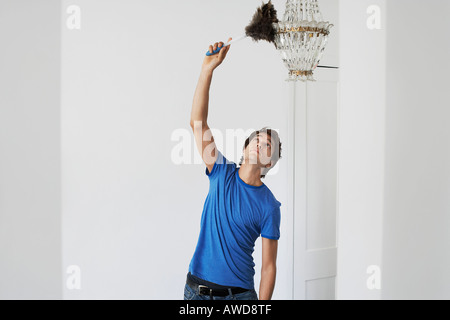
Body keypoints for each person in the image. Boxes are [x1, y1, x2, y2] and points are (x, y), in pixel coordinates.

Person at [186, 38, 282, 300]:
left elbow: (269, 266)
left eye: (267, 145)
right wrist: (207, 70)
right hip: (197, 291)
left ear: (269, 163)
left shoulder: (269, 205)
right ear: (244, 147)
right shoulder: (221, 171)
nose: (259, 145)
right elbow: (198, 123)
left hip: (239, 297)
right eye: (256, 139)